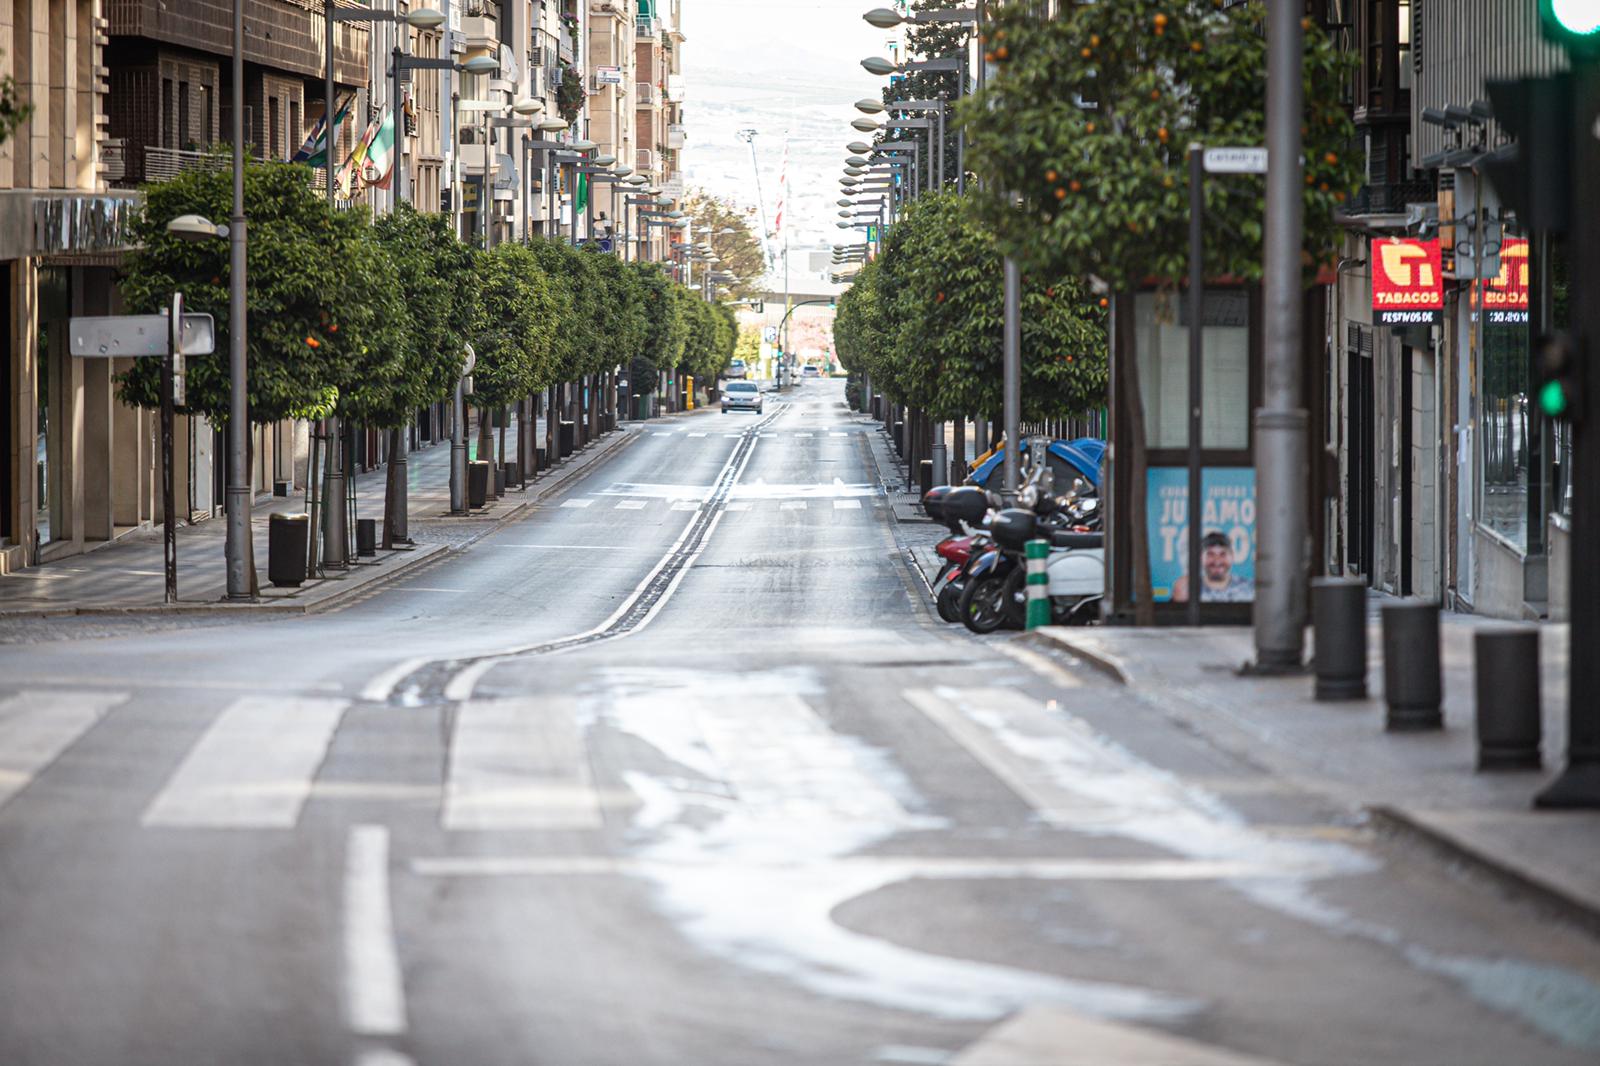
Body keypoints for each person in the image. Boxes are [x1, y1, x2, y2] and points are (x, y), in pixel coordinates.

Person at [1171, 530, 1254, 603]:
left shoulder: (1249, 589)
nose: (1217, 561)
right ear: (1201, 557)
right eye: (1210, 554)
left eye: (1223, 554)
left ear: (1232, 557)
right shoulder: (1187, 589)